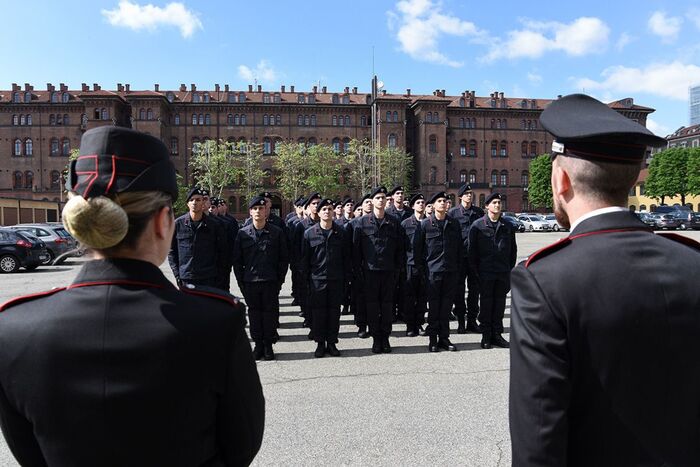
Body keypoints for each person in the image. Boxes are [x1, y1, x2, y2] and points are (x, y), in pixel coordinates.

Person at [0, 126, 264, 466]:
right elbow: (240, 447)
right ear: (162, 222)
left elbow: (30, 455)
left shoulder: (14, 329)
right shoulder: (215, 324)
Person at [508, 94, 700, 466]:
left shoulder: (544, 280)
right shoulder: (692, 261)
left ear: (561, 179)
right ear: (631, 178)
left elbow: (539, 439)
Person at [233, 196, 289, 361]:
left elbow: (283, 259)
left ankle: (269, 345)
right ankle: (258, 345)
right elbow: (237, 262)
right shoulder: (242, 234)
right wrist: (241, 283)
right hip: (250, 282)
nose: (258, 211)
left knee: (269, 315)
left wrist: (279, 281)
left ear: (267, 211)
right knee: (255, 315)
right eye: (255, 208)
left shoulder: (276, 232)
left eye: (261, 208)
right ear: (250, 212)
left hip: (270, 282)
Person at [352, 187, 404, 353]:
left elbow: (400, 249)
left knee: (387, 306)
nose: (381, 201)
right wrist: (358, 273)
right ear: (372, 201)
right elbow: (356, 251)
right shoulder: (361, 223)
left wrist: (397, 270)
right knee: (373, 307)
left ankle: (386, 337)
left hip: (389, 272)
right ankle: (376, 338)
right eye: (378, 198)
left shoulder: (394, 222)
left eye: (383, 198)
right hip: (370, 272)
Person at [300, 198, 351, 357]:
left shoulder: (341, 232)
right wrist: (306, 282)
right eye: (324, 209)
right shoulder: (309, 233)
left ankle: (332, 342)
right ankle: (320, 343)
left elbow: (346, 258)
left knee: (334, 313)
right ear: (319, 212)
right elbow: (305, 260)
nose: (327, 212)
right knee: (319, 313)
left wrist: (346, 279)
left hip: (336, 279)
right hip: (317, 281)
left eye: (329, 209)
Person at [467, 193, 516, 349]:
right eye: (494, 202)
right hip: (485, 273)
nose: (497, 205)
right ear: (487, 206)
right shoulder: (477, 225)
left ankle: (497, 334)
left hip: (502, 273)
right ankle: (486, 336)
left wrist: (508, 271)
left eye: (499, 202)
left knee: (499, 305)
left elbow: (512, 251)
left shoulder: (507, 226)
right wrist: (476, 274)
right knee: (487, 305)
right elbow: (471, 253)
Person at [416, 192, 461, 352]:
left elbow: (459, 249)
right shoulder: (424, 225)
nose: (443, 203)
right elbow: (418, 252)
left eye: (445, 201)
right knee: (434, 308)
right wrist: (423, 274)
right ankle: (433, 339)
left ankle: (444, 338)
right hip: (432, 274)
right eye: (439, 201)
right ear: (433, 205)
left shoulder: (454, 224)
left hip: (450, 272)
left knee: (446, 307)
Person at [169, 187, 228, 289]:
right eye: (191, 200)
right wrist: (177, 275)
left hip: (208, 277)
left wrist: (219, 275)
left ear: (203, 203)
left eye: (198, 200)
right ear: (187, 204)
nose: (194, 202)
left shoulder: (214, 225)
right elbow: (171, 251)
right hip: (186, 277)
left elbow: (222, 252)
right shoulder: (178, 224)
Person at [448, 184, 485, 333]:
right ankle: (461, 321)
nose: (470, 196)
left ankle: (472, 320)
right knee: (459, 290)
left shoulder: (478, 212)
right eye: (467, 194)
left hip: (475, 258)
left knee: (474, 290)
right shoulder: (453, 213)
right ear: (460, 197)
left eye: (471, 194)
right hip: (460, 258)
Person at [400, 193, 427, 337]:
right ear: (412, 206)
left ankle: (420, 323)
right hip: (409, 265)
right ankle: (410, 325)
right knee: (409, 297)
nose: (421, 205)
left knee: (422, 297)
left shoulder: (429, 222)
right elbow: (401, 247)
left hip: (425, 266)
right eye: (418, 203)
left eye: (423, 202)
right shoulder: (405, 224)